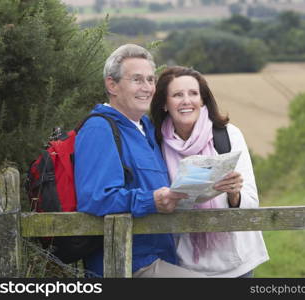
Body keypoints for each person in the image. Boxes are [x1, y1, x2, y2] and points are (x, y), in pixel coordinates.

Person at [74, 44, 206, 277]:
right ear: (111, 85)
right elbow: (96, 198)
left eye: (150, 80)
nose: (147, 88)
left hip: (162, 258)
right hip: (127, 264)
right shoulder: (99, 128)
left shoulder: (148, 128)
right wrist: (151, 201)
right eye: (137, 80)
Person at [150, 66, 269, 277]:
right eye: (177, 95)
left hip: (236, 263)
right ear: (165, 104)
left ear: (203, 100)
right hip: (185, 264)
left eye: (193, 94)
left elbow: (251, 201)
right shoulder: (155, 143)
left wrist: (234, 194)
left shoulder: (228, 135)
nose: (187, 100)